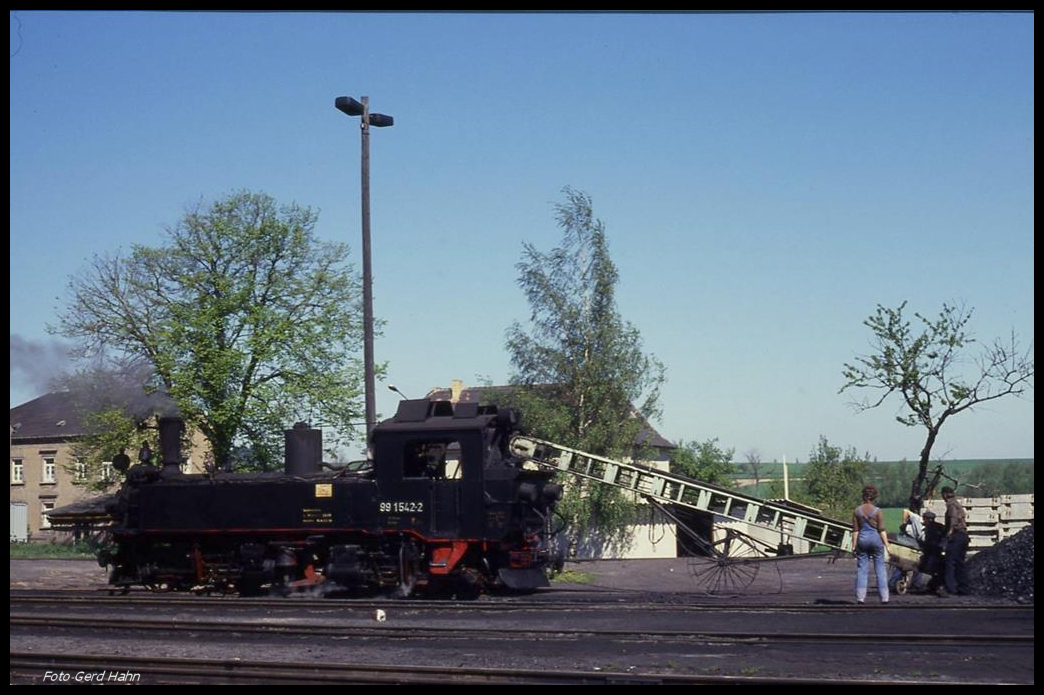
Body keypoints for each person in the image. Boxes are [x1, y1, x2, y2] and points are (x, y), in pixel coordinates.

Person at [852, 484, 890, 604]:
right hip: (876, 540)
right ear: (874, 497)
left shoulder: (856, 511)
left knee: (862, 569)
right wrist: (887, 545)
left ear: (863, 496)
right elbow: (881, 530)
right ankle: (884, 598)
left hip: (862, 540)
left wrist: (853, 546)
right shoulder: (878, 511)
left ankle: (860, 598)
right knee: (880, 569)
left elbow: (855, 531)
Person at [940, 486, 970, 596]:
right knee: (959, 563)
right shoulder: (957, 504)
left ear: (944, 495)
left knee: (950, 562)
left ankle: (950, 588)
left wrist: (948, 535)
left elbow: (953, 520)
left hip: (956, 536)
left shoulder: (951, 505)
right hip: (964, 536)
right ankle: (963, 588)